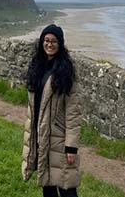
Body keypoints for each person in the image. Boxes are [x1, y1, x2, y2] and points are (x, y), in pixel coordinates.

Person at [21, 24, 82, 197]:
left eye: (54, 41)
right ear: (41, 42)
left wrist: (71, 147)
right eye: (46, 40)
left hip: (59, 137)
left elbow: (74, 112)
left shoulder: (67, 71)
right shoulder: (37, 67)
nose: (49, 44)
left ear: (60, 44)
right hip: (41, 134)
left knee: (67, 188)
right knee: (47, 185)